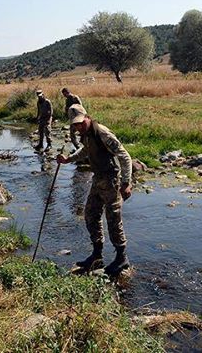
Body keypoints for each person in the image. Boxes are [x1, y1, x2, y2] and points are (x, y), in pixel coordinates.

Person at [56, 104, 133, 276]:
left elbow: (124, 156)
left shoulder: (102, 133)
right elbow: (86, 151)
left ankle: (122, 258)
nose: (78, 127)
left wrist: (126, 182)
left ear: (87, 117)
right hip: (97, 179)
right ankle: (97, 255)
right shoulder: (86, 134)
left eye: (80, 123)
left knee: (113, 219)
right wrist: (68, 159)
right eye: (75, 124)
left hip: (111, 180)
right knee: (90, 214)